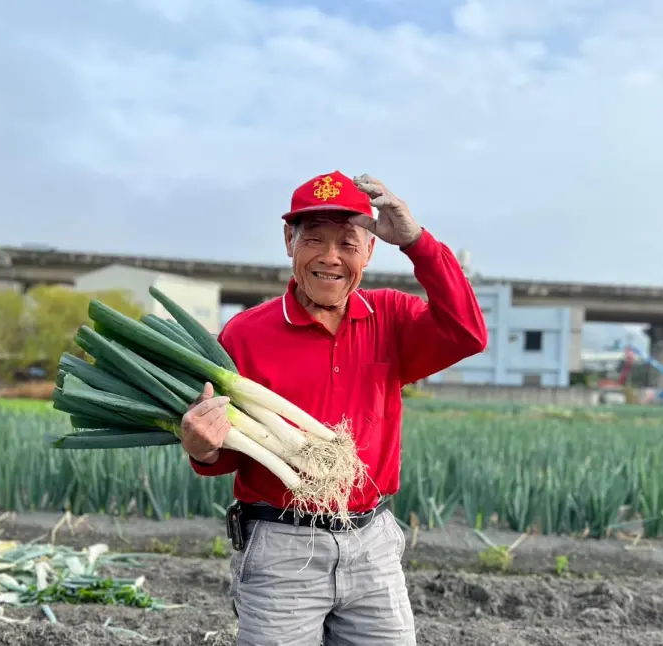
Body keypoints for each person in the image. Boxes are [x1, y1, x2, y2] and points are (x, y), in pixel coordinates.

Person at [181, 171, 488, 645]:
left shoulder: (392, 317)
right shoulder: (244, 334)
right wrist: (202, 449)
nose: (330, 257)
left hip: (373, 542)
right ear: (289, 241)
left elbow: (468, 332)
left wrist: (416, 242)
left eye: (347, 242)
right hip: (282, 545)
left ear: (369, 250)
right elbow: (226, 454)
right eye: (314, 239)